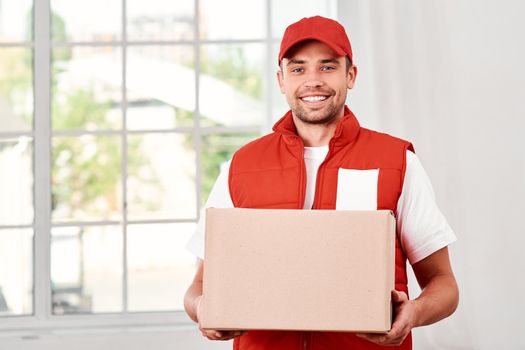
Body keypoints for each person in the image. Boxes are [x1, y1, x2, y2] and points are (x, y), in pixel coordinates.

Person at [184, 15, 459, 349]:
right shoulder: (241, 166)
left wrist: (412, 313)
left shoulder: (397, 161)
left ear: (351, 75)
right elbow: (198, 287)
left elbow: (444, 285)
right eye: (298, 69)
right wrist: (203, 309)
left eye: (327, 67)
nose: (313, 81)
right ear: (281, 80)